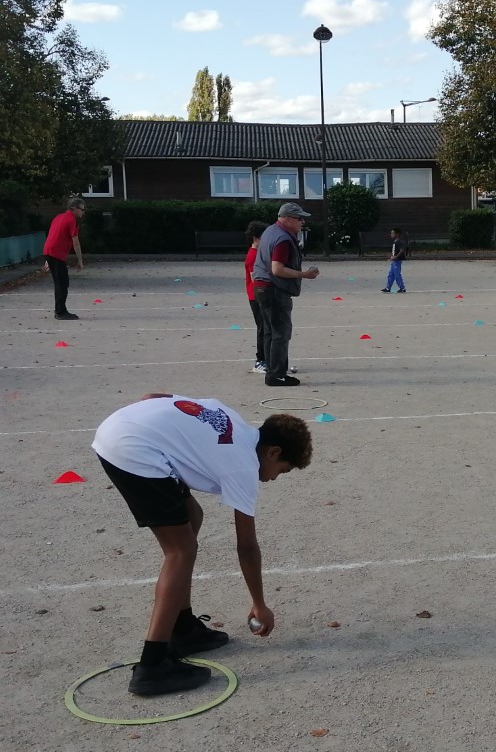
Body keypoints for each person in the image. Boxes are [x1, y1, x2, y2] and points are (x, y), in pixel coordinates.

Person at [91, 393, 313, 696]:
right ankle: (152, 665)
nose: (275, 478)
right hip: (132, 451)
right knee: (181, 549)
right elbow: (246, 546)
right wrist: (259, 604)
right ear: (273, 452)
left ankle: (182, 628)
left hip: (120, 430)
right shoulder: (244, 465)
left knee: (191, 515)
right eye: (283, 470)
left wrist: (142, 420)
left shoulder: (233, 417)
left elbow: (157, 397)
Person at [253, 203, 320, 387]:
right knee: (281, 333)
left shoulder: (270, 231)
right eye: (299, 218)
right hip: (274, 289)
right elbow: (277, 269)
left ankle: (272, 371)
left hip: (261, 287)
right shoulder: (283, 238)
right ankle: (276, 375)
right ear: (288, 219)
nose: (302, 222)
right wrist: (304, 274)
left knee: (270, 332)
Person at [43, 197, 85, 320]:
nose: (83, 212)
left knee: (60, 282)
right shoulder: (72, 219)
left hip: (50, 251)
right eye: (82, 209)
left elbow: (53, 235)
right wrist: (80, 260)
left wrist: (47, 257)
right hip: (55, 253)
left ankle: (60, 310)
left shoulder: (58, 217)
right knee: (62, 283)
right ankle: (60, 312)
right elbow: (75, 240)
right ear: (74, 208)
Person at [244, 221, 269, 373]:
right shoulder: (253, 256)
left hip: (258, 295)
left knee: (266, 327)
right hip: (256, 296)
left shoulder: (258, 254)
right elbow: (256, 279)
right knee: (263, 328)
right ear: (255, 238)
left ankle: (267, 358)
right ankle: (260, 360)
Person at [380, 227, 407, 293]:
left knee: (397, 274)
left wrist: (396, 257)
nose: (391, 234)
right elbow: (395, 251)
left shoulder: (398, 242)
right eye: (391, 233)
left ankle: (402, 288)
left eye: (393, 233)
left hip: (397, 261)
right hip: (394, 261)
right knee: (391, 274)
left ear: (397, 234)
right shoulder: (395, 242)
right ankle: (388, 288)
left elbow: (402, 250)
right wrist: (391, 256)